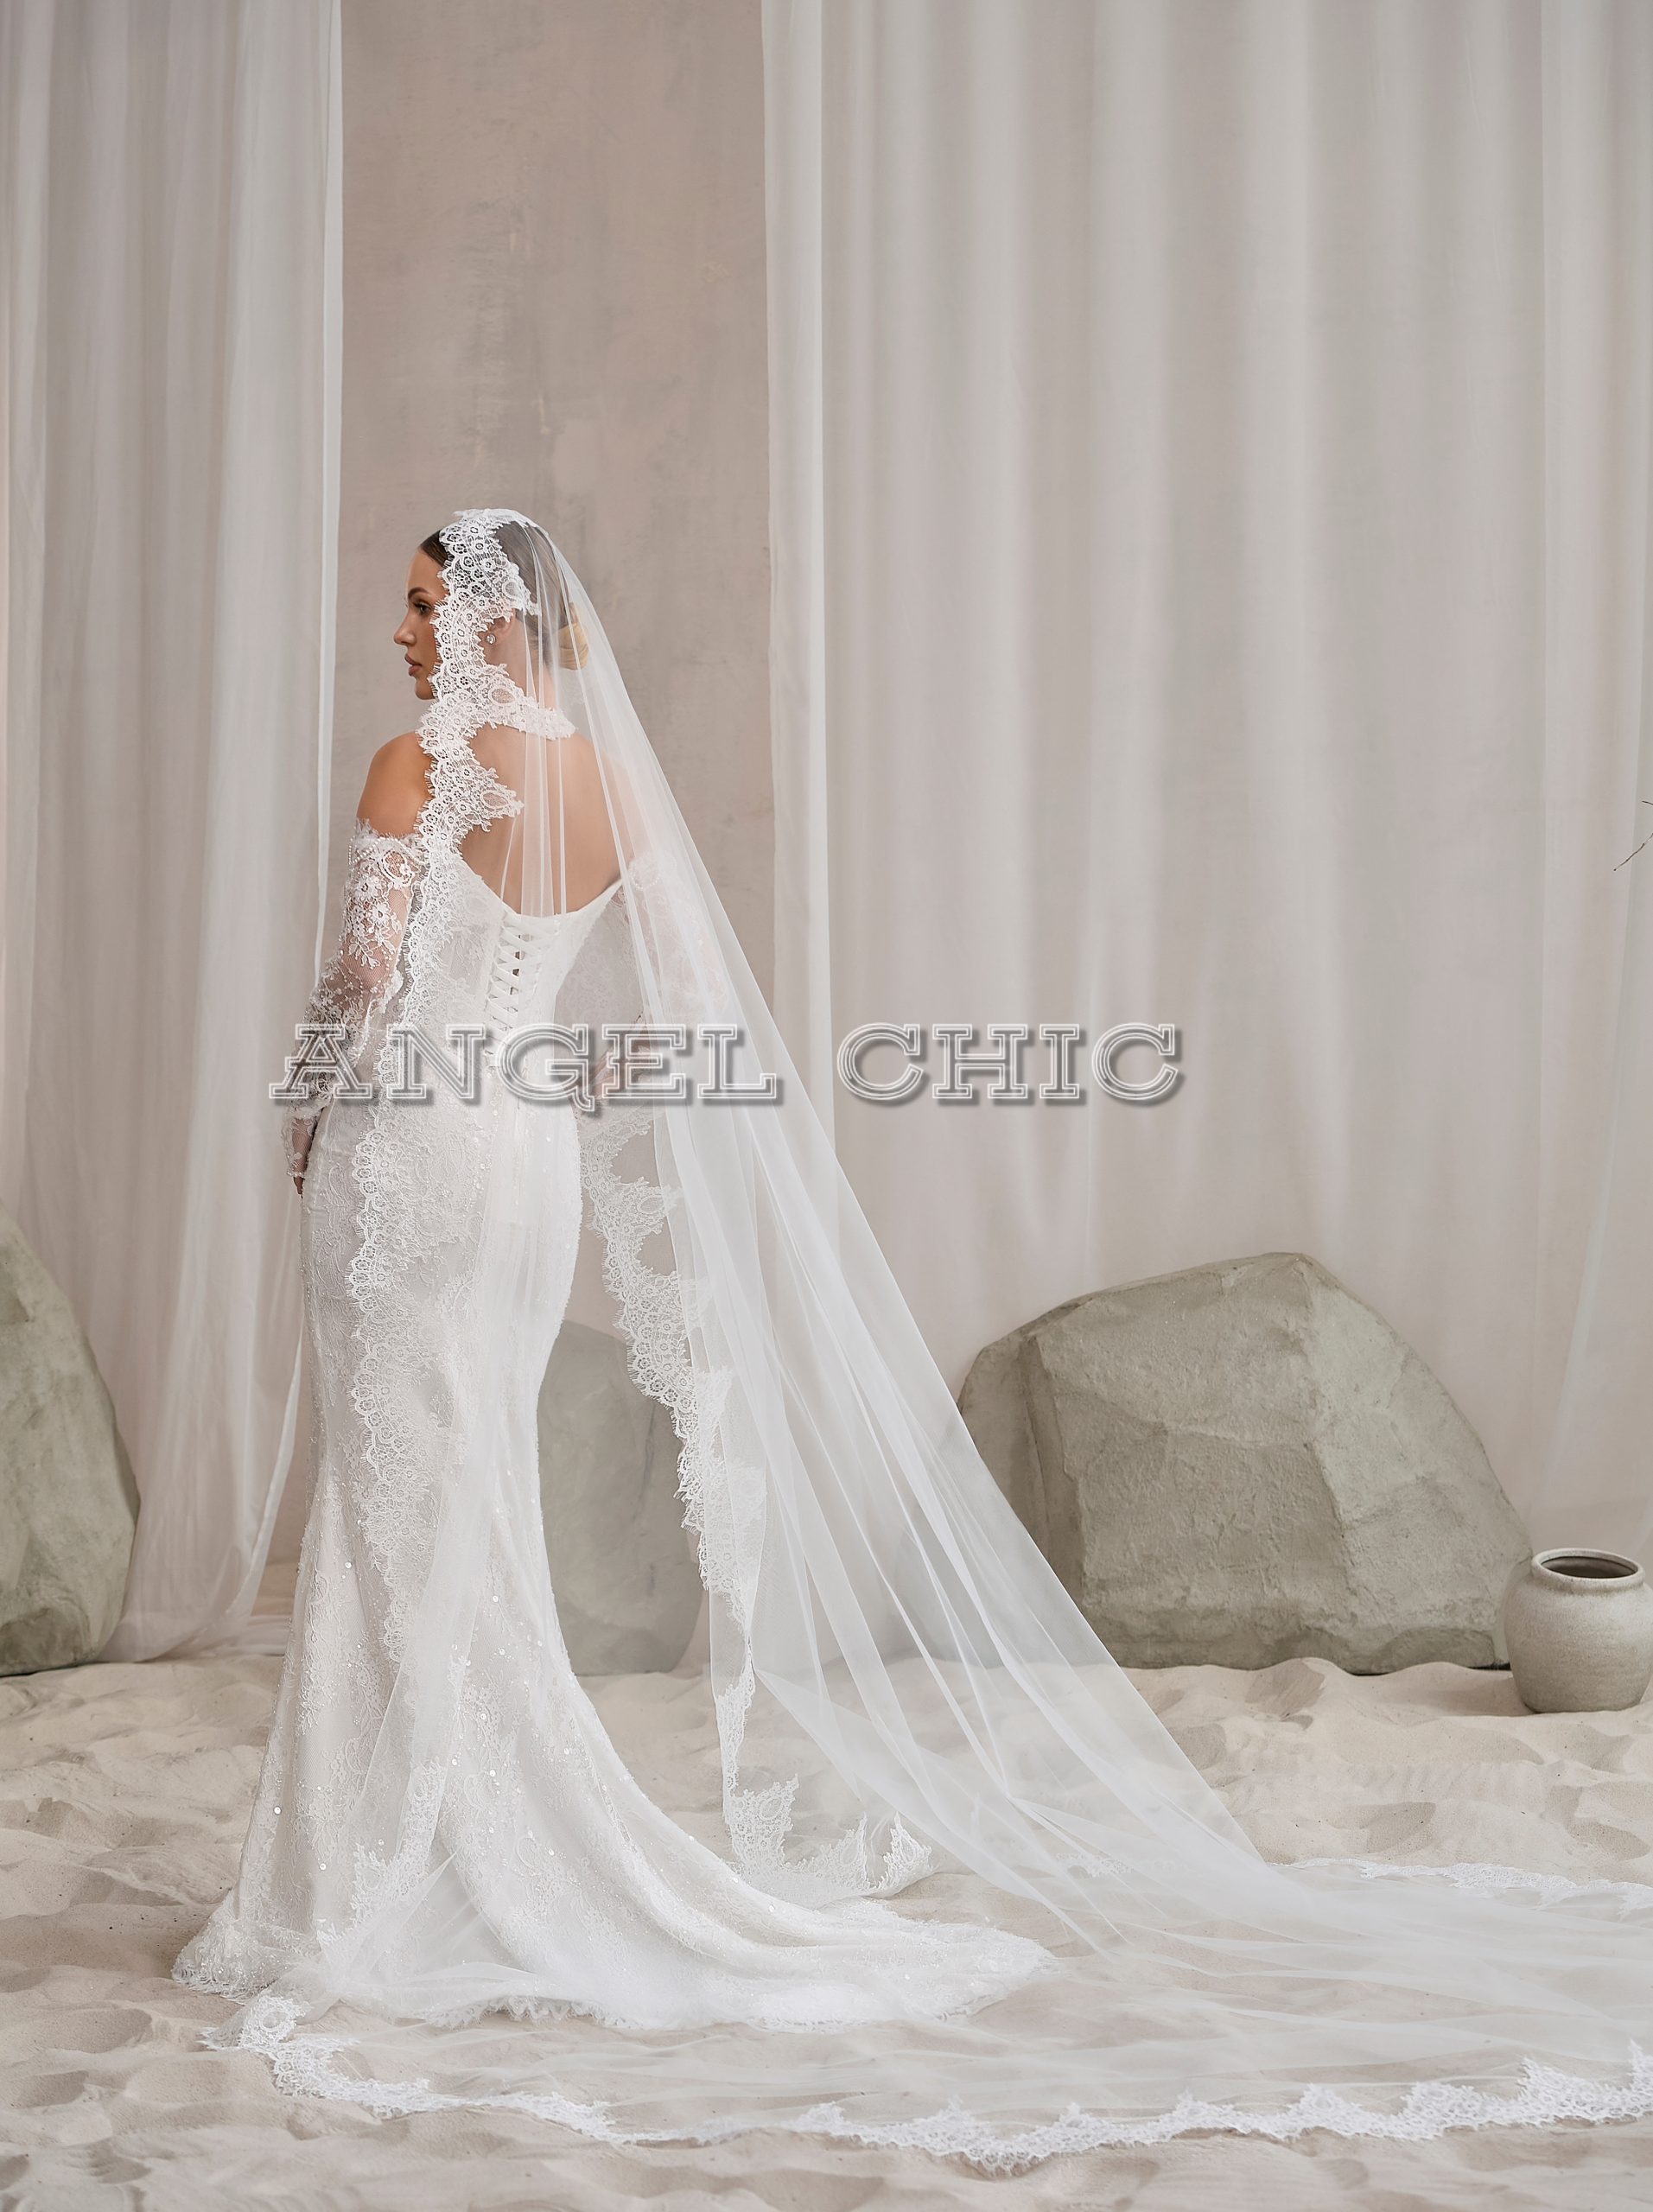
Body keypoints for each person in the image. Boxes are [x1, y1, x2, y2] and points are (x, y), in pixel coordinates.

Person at [174, 510, 1653, 2167]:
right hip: (519, 1172)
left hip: (404, 1155)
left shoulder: (412, 769)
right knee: (468, 1501)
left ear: (495, 622)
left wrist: (305, 1112)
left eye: (422, 605)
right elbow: (666, 1011)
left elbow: (360, 980)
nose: (400, 633)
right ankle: (450, 1837)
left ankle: (378, 1867)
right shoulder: (613, 794)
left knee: (395, 1499)